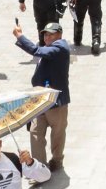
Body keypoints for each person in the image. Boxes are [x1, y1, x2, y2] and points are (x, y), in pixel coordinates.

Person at [12, 21, 70, 174]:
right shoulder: (48, 48)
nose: (47, 37)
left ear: (59, 34)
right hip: (39, 100)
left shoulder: (61, 47)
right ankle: (40, 168)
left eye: (51, 34)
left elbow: (35, 50)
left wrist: (20, 36)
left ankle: (57, 161)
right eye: (45, 34)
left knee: (57, 134)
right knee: (35, 133)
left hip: (56, 102)